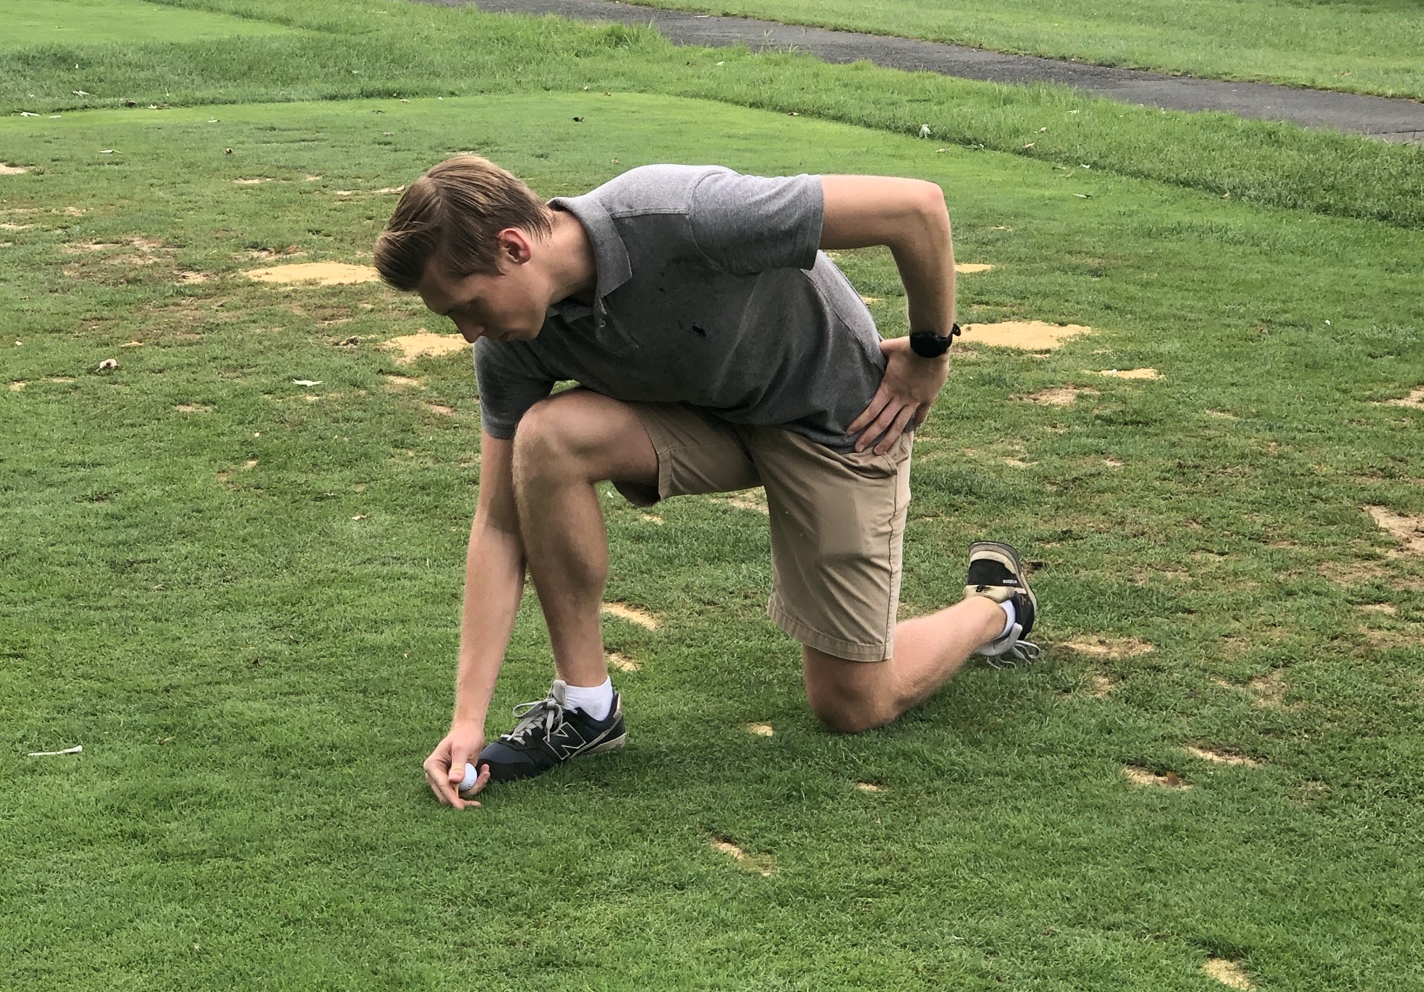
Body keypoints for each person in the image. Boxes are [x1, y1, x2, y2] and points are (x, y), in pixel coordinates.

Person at [374, 155, 1038, 810]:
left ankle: (997, 607)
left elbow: (916, 209)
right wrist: (468, 719)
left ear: (514, 247)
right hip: (710, 417)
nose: (469, 333)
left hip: (837, 420)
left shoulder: (686, 213)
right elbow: (499, 521)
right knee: (545, 438)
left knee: (854, 703)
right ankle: (585, 707)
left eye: (469, 306)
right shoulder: (511, 344)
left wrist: (929, 352)